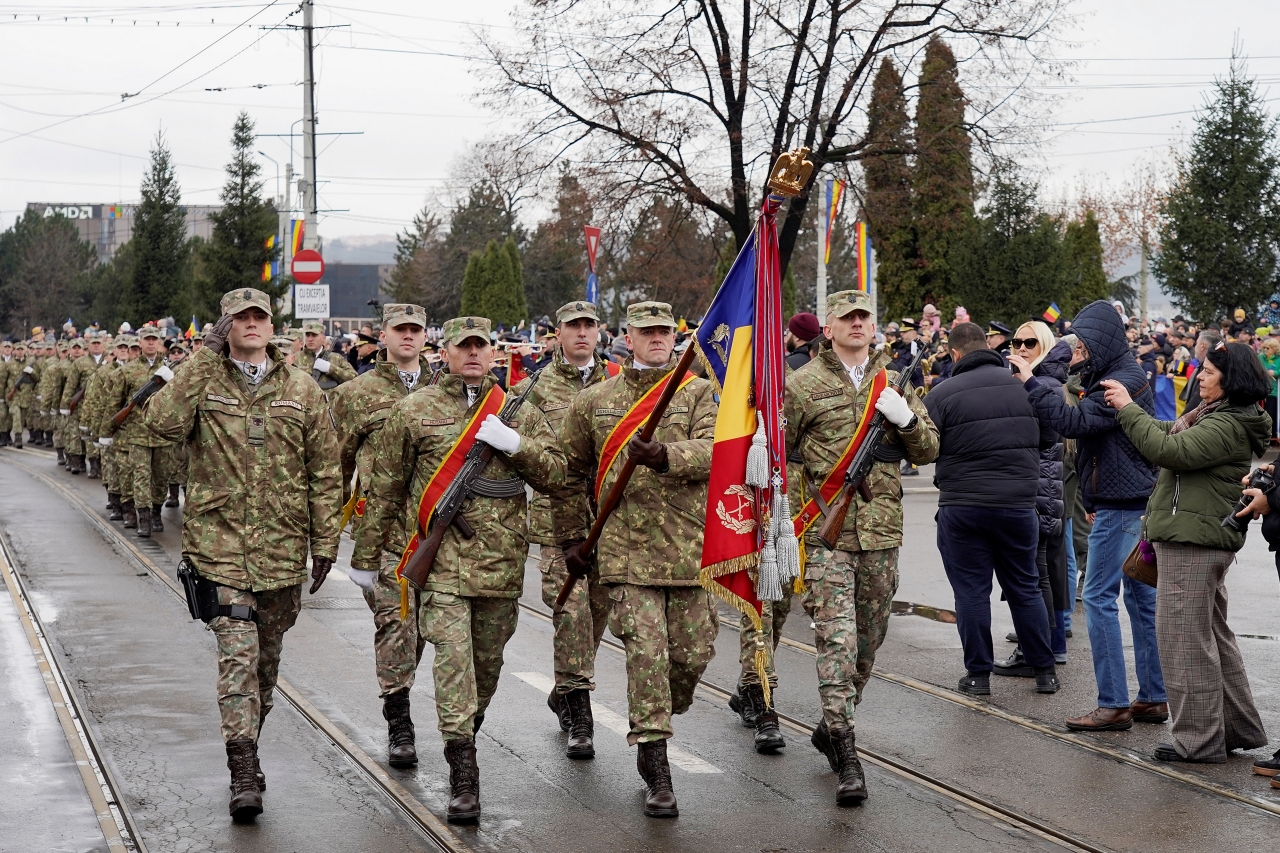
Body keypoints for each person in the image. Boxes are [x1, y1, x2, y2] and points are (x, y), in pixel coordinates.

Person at [352, 315, 564, 824]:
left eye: (481, 347)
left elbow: (557, 473)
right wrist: (365, 558)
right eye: (462, 346)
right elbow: (385, 489)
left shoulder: (519, 410)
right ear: (443, 352)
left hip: (502, 566)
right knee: (453, 667)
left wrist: (516, 444)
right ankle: (463, 776)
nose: (473, 354)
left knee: (485, 672)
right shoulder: (414, 410)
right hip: (442, 568)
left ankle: (465, 730)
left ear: (494, 354)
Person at [143, 288, 341, 822]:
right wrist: (201, 359)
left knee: (264, 670)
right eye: (241, 317)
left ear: (272, 325)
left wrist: (325, 544)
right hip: (219, 550)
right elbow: (159, 426)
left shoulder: (302, 390)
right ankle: (242, 770)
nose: (252, 324)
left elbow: (325, 473)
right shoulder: (204, 380)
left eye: (260, 316)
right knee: (237, 657)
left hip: (280, 552)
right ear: (225, 325)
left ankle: (248, 744)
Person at [554, 301, 718, 818]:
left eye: (665, 333)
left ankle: (665, 712)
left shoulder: (697, 392)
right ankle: (656, 766)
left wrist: (669, 456)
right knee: (646, 656)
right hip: (625, 557)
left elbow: (721, 450)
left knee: (691, 658)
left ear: (675, 336)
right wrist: (570, 541)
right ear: (628, 336)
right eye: (647, 332)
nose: (657, 340)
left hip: (689, 551)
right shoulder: (596, 401)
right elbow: (566, 474)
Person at [786, 290, 939, 804]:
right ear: (827, 329)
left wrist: (907, 420)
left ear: (874, 327)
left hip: (881, 531)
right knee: (838, 642)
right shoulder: (802, 385)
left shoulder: (894, 382)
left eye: (863, 318)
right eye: (846, 318)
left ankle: (831, 726)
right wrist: (785, 525)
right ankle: (847, 753)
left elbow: (931, 448)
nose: (856, 325)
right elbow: (781, 457)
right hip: (824, 531)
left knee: (868, 644)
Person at [1103, 342, 1270, 763]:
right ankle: (1234, 729)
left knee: (1183, 642)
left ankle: (1197, 740)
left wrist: (1127, 408)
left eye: (1208, 371)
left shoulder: (1228, 422)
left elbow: (1168, 451)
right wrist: (1130, 410)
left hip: (1194, 541)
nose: (1199, 376)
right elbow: (1167, 433)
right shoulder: (1220, 416)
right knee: (1211, 636)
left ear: (1230, 380)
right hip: (1198, 537)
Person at [1023, 300, 1165, 732]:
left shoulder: (1117, 381)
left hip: (1123, 508)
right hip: (1128, 502)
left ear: (1099, 342)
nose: (1075, 351)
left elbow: (1072, 423)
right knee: (1142, 600)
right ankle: (1153, 697)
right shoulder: (1117, 373)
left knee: (1100, 598)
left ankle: (1113, 704)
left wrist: (1030, 381)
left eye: (1081, 343)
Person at [924, 322, 1059, 697]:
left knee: (971, 592)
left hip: (962, 506)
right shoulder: (1024, 388)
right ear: (990, 346)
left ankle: (978, 675)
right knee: (1025, 587)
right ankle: (1044, 670)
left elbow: (925, 447)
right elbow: (1050, 438)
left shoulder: (943, 391)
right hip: (1018, 504)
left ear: (954, 354)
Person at [329, 304, 434, 769]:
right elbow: (337, 464)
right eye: (400, 330)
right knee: (395, 625)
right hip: (384, 533)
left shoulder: (446, 389)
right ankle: (400, 721)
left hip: (442, 535)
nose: (408, 337)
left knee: (427, 631)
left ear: (426, 336)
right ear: (384, 336)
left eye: (416, 330)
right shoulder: (355, 394)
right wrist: (328, 533)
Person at [515, 301, 620, 759]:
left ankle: (566, 687)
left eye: (588, 326)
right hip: (560, 522)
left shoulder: (621, 382)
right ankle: (580, 714)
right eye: (572, 327)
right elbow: (519, 453)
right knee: (571, 613)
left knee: (598, 615)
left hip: (612, 520)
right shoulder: (531, 388)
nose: (581, 334)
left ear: (599, 332)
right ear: (557, 333)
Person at [1005, 323, 1071, 670]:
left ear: (1044, 346)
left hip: (1038, 486)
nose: (1022, 347)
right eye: (1017, 341)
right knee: (1043, 570)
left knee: (1036, 573)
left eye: (1030, 342)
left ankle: (1039, 651)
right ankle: (1049, 646)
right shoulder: (1039, 380)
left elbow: (1040, 435)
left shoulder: (1041, 383)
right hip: (1042, 485)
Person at [295, 321, 358, 391]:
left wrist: (331, 369)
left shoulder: (336, 358)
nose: (310, 339)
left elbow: (354, 379)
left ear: (323, 338)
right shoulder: (296, 358)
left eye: (314, 335)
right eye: (307, 335)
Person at [1182, 331, 1223, 412]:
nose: (1199, 376)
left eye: (1196, 343)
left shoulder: (1208, 367)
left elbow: (1198, 399)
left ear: (1202, 346)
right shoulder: (1202, 364)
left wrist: (1182, 420)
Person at [1259, 338, 1280, 436]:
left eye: (1268, 348)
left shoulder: (1279, 359)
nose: (1265, 350)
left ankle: (1273, 436)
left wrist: (1275, 372)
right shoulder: (1260, 357)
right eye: (1264, 348)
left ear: (1274, 349)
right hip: (1261, 391)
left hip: (1274, 392)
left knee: (1272, 414)